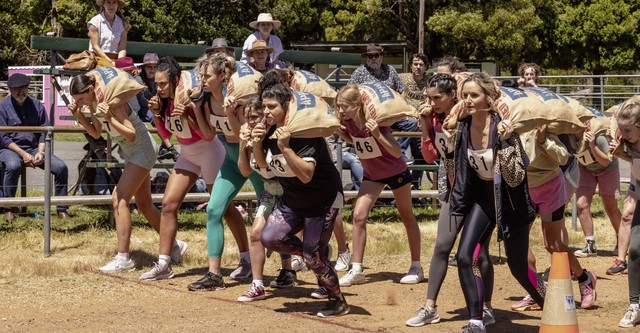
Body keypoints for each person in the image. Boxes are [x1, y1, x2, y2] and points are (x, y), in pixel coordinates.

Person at [448, 72, 543, 333]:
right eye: (464, 95)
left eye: (474, 95)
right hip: (483, 202)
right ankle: (476, 321)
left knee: (519, 270)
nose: (467, 100)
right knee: (466, 257)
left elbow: (515, 177)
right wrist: (448, 142)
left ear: (489, 98)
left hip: (511, 205)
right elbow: (456, 168)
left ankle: (551, 303)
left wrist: (506, 143)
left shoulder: (503, 127)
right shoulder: (464, 126)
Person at [67, 70, 188, 273]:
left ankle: (124, 258)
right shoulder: (93, 104)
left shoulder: (113, 101)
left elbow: (131, 134)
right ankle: (176, 245)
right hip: (134, 153)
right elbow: (96, 132)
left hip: (141, 149)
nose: (79, 102)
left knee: (119, 198)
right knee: (144, 205)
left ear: (90, 89)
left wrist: (108, 117)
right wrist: (79, 114)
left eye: (81, 99)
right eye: (76, 100)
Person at [255, 70, 348, 317]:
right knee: (270, 238)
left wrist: (285, 148)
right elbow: (262, 170)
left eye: (272, 106)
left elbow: (306, 174)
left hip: (323, 201)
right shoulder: (267, 131)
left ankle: (338, 300)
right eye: (264, 106)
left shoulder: (307, 132)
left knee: (312, 256)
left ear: (287, 107)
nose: (266, 112)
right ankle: (314, 255)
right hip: (293, 201)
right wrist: (254, 144)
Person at [406, 73, 495, 327]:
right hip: (453, 190)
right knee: (442, 246)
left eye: (438, 98)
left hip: (479, 193)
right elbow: (431, 155)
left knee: (479, 253)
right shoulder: (434, 118)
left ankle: (486, 308)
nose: (432, 102)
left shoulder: (466, 115)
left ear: (451, 96)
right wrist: (425, 125)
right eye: (429, 98)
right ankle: (430, 306)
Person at [138, 56, 225, 280]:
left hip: (209, 152)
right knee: (168, 205)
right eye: (156, 84)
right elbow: (166, 135)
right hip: (187, 155)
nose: (159, 88)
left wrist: (187, 111)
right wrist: (157, 114)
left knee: (223, 208)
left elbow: (203, 132)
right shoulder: (163, 101)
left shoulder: (188, 97)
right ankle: (164, 264)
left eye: (163, 84)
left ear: (175, 80)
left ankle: (245, 256)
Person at [185, 53, 265, 289]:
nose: (202, 80)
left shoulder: (238, 101)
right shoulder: (208, 100)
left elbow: (246, 135)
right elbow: (209, 135)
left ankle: (288, 267)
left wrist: (230, 112)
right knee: (213, 209)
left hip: (250, 158)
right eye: (201, 75)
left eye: (207, 76)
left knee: (271, 211)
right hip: (231, 159)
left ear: (222, 77)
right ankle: (214, 275)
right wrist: (197, 108)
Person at [334, 84, 423, 287]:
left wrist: (378, 134)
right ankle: (356, 268)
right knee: (358, 216)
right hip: (372, 175)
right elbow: (357, 141)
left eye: (344, 106)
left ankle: (416, 266)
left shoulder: (376, 122)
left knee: (407, 216)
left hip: (396, 172)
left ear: (357, 105)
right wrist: (342, 134)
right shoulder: (348, 123)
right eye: (338, 106)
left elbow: (396, 152)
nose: (340, 111)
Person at [511, 122, 597, 312]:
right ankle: (536, 291)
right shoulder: (509, 124)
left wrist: (543, 140)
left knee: (553, 245)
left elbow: (563, 157)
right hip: (524, 189)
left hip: (550, 187)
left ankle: (585, 278)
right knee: (518, 243)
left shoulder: (545, 125)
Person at [236, 98, 294, 301]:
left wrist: (257, 143)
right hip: (269, 193)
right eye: (247, 118)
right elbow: (244, 170)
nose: (250, 122)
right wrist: (243, 144)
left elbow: (264, 167)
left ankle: (296, 269)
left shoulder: (272, 136)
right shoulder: (251, 137)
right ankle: (258, 284)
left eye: (254, 117)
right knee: (255, 234)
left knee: (288, 238)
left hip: (289, 192)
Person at [0, 73, 70, 221]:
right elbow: (3, 138)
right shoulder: (2, 107)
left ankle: (61, 209)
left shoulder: (37, 105)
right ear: (10, 90)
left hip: (34, 148)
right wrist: (23, 154)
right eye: (17, 89)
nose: (21, 92)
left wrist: (40, 152)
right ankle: (8, 208)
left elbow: (44, 132)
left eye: (24, 88)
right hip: (10, 148)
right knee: (12, 166)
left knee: (61, 167)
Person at [610, 102, 640, 328]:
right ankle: (634, 305)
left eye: (628, 130)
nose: (623, 135)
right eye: (622, 130)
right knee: (636, 251)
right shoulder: (628, 144)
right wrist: (621, 151)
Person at [572, 124, 621, 258]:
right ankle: (590, 245)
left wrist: (592, 145)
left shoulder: (598, 136)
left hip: (608, 169)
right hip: (586, 168)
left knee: (611, 208)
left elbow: (606, 161)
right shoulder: (567, 135)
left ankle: (622, 241)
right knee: (581, 204)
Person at [137, 52, 179, 161]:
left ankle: (164, 147)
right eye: (149, 67)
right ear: (144, 68)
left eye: (155, 67)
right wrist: (155, 104)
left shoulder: (160, 78)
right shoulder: (139, 80)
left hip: (158, 105)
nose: (152, 69)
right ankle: (169, 147)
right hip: (144, 109)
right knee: (155, 116)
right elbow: (142, 101)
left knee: (167, 115)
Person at [88, 0, 130, 65]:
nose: (111, 5)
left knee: (131, 72)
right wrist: (110, 62)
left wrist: (119, 62)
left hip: (116, 60)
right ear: (103, 5)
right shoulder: (95, 22)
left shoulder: (122, 23)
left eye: (114, 2)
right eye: (108, 2)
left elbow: (122, 48)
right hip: (98, 59)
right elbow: (95, 47)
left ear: (117, 5)